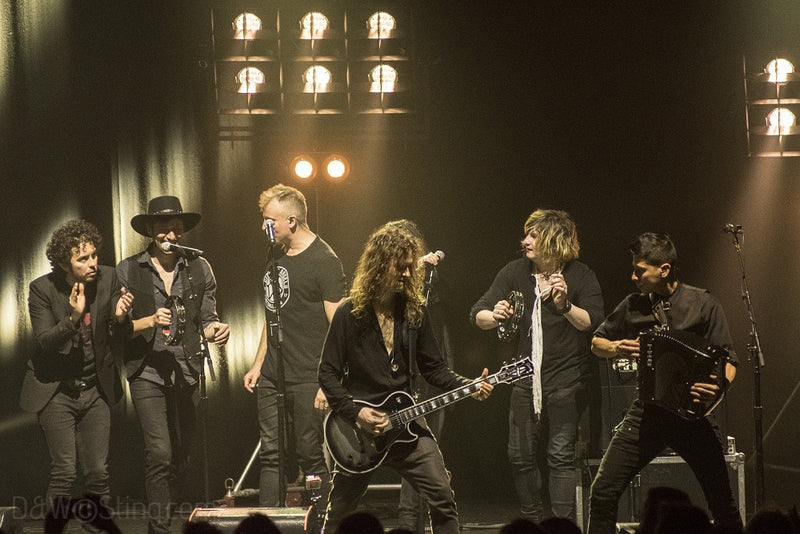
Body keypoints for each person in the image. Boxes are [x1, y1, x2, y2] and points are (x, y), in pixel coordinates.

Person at [318, 220, 494, 534]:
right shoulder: (348, 314)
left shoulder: (415, 312)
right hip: (359, 430)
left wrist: (468, 386)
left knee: (442, 496)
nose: (408, 274)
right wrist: (356, 413)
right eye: (401, 267)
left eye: (411, 268)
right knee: (340, 512)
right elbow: (327, 374)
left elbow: (435, 369)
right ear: (379, 265)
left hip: (407, 421)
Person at [586, 232, 742, 534]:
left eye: (640, 270)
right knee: (602, 491)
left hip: (693, 416)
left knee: (722, 502)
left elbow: (730, 360)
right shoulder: (633, 305)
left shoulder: (704, 304)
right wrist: (617, 347)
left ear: (665, 269)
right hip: (647, 413)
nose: (633, 276)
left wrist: (718, 389)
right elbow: (596, 343)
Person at [470, 209, 604, 521]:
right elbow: (478, 314)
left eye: (533, 235)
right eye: (527, 234)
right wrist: (496, 315)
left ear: (554, 241)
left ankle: (559, 525)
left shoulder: (580, 275)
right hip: (524, 378)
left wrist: (564, 305)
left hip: (567, 380)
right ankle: (531, 520)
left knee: (559, 456)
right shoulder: (514, 272)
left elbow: (592, 322)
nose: (525, 240)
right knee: (519, 455)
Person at [117, 195, 230, 534]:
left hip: (187, 369)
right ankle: (159, 528)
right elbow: (119, 328)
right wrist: (149, 320)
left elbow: (207, 319)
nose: (171, 236)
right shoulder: (129, 269)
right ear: (151, 230)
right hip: (147, 371)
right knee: (160, 453)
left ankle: (171, 520)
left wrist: (216, 331)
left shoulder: (199, 267)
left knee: (181, 456)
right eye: (164, 229)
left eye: (177, 230)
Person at [242, 183, 347, 507]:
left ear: (291, 221)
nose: (264, 227)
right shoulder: (275, 254)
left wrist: (329, 382)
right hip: (273, 374)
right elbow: (272, 313)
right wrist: (259, 363)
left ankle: (326, 524)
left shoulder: (325, 260)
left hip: (308, 375)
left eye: (269, 220)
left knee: (309, 455)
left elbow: (341, 327)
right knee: (271, 455)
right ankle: (267, 525)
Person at [22, 220, 132, 519]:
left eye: (94, 255)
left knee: (97, 472)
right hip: (56, 390)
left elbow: (117, 337)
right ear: (63, 263)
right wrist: (73, 316)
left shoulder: (108, 278)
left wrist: (121, 318)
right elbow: (45, 341)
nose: (92, 263)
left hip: (94, 389)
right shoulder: (42, 289)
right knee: (65, 473)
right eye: (82, 259)